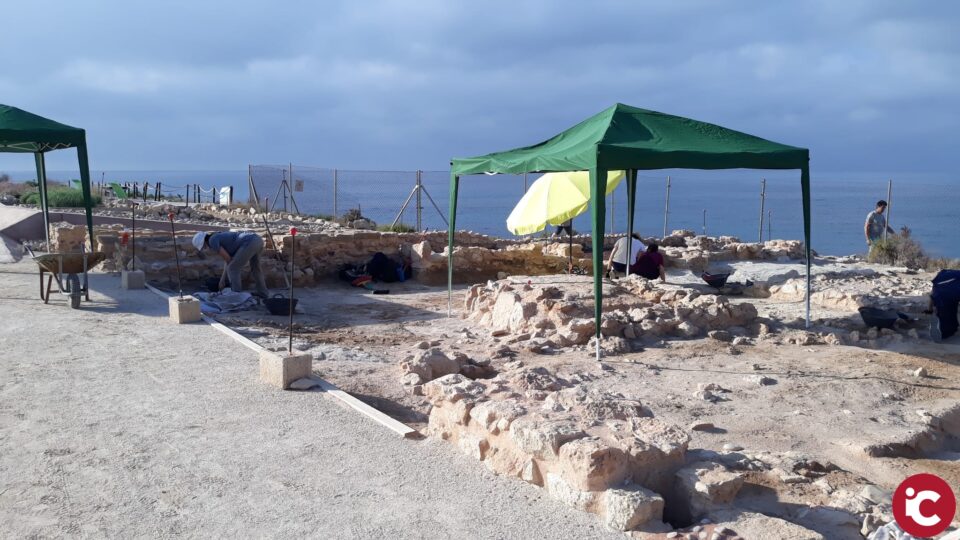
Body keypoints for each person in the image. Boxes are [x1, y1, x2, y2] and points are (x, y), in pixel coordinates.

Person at [192, 231, 269, 298]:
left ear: (203, 242)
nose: (205, 248)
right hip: (257, 240)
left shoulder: (212, 241)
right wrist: (222, 280)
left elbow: (229, 261)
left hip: (249, 242)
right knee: (256, 268)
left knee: (233, 269)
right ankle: (263, 293)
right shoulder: (216, 236)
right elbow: (227, 260)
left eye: (203, 246)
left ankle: (237, 296)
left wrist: (222, 280)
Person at [929, 269, 960, 341]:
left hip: (942, 287)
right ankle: (943, 332)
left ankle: (952, 328)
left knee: (950, 310)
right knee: (946, 314)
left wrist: (930, 308)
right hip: (944, 292)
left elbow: (932, 294)